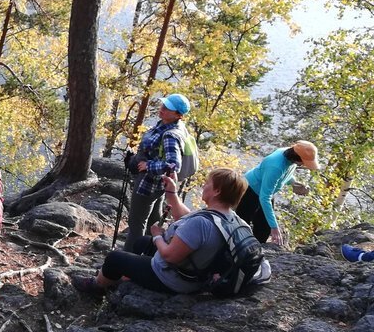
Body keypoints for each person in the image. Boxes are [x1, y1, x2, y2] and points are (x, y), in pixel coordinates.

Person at [74, 168, 269, 297]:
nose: (204, 185)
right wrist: (172, 194)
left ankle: (96, 287)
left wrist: (158, 235)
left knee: (115, 258)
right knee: (142, 242)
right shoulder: (232, 219)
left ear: (217, 191)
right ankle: (125, 276)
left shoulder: (202, 223)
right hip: (197, 273)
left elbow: (169, 256)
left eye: (208, 183)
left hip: (174, 279)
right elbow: (186, 218)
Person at [124, 94, 191, 253]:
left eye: (168, 108)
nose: (162, 109)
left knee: (135, 225)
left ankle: (126, 264)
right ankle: (150, 254)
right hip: (159, 184)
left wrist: (149, 165)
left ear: (178, 114)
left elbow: (174, 164)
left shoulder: (170, 134)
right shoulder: (169, 125)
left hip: (148, 184)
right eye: (163, 105)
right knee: (154, 220)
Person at [234, 141, 320, 245]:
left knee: (264, 228)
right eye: (303, 162)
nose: (303, 165)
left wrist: (293, 183)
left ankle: (255, 250)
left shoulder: (289, 158)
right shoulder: (275, 165)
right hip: (251, 189)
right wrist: (275, 227)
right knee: (241, 224)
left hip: (266, 191)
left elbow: (285, 173)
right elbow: (265, 197)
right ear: (296, 157)